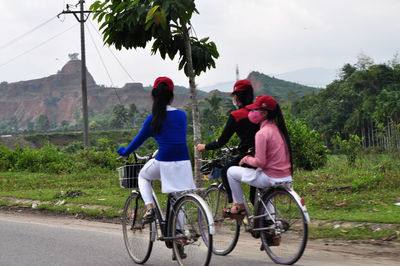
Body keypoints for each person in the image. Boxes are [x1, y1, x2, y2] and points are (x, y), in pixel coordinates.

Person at [117, 76, 196, 222]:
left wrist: (125, 152)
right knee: (178, 196)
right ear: (172, 97)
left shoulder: (153, 119)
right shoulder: (182, 116)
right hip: (184, 162)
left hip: (164, 161)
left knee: (143, 176)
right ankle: (180, 234)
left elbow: (138, 140)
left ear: (153, 96)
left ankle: (149, 209)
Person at [223, 95, 293, 220]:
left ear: (264, 113)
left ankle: (239, 206)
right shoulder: (278, 130)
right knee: (264, 196)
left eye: (255, 110)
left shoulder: (262, 133)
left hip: (270, 177)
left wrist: (245, 159)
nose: (251, 112)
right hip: (286, 177)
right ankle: (271, 227)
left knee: (230, 172)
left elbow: (260, 162)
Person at [196, 79, 259, 203]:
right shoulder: (258, 112)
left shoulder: (237, 115)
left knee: (226, 171)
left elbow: (222, 140)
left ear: (237, 97)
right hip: (264, 152)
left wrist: (205, 146)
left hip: (250, 154)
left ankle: (236, 205)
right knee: (255, 197)